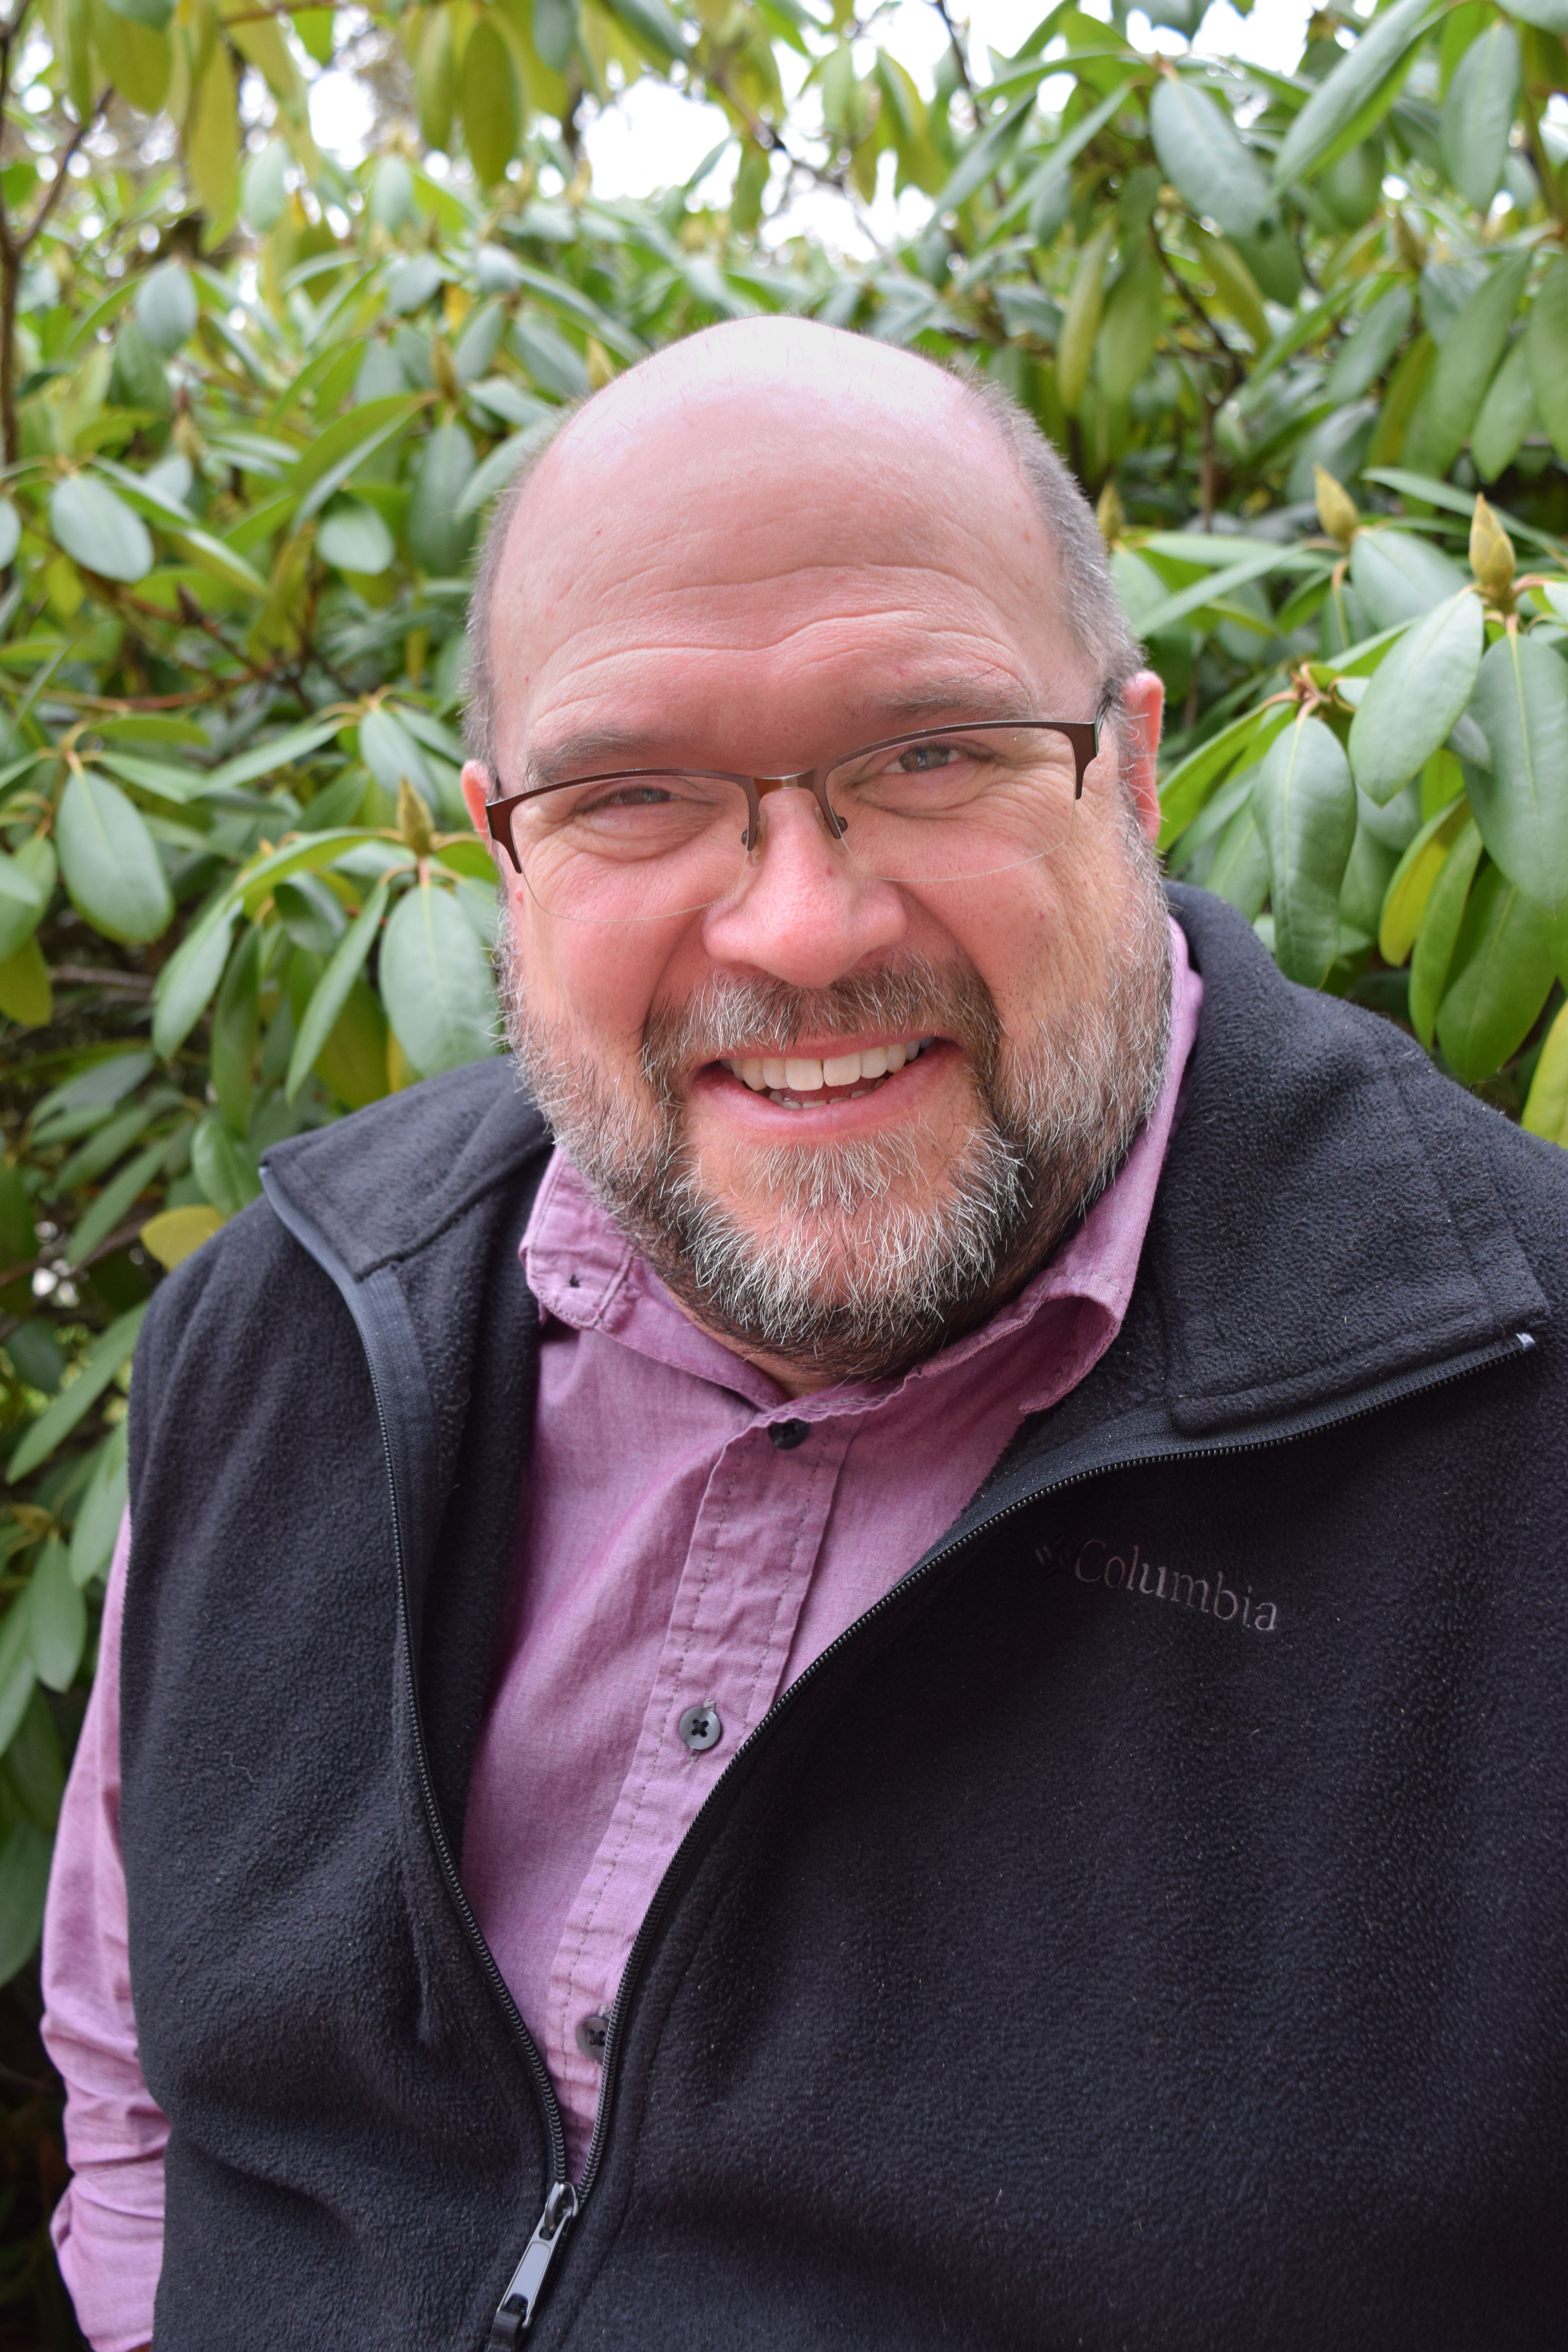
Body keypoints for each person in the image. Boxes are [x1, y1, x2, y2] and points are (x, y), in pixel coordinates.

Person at [40, 318, 1568, 2352]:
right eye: (633, 792)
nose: (798, 927)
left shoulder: (1526, 1441)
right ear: (503, 848)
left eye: (929, 753)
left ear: (1126, 771)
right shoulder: (281, 1326)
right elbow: (140, 2073)